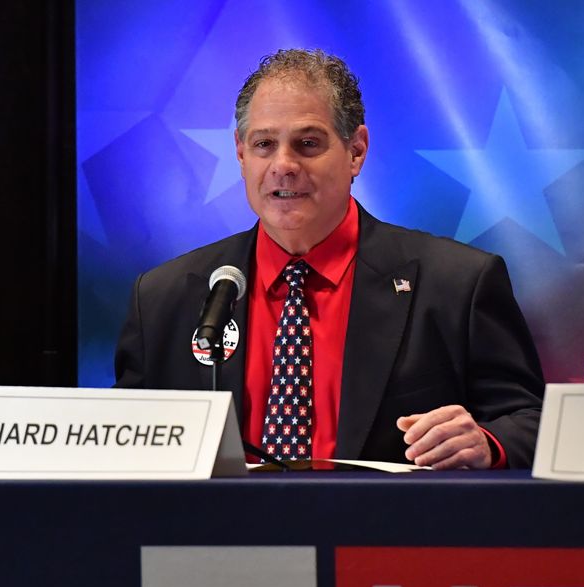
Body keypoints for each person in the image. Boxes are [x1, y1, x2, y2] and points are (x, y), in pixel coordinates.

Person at [114, 49, 544, 469]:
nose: (283, 165)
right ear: (241, 154)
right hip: (218, 538)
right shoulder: (162, 299)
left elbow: (532, 423)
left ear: (356, 150)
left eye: (307, 144)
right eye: (264, 144)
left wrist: (486, 443)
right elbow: (120, 446)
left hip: (384, 535)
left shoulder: (457, 284)